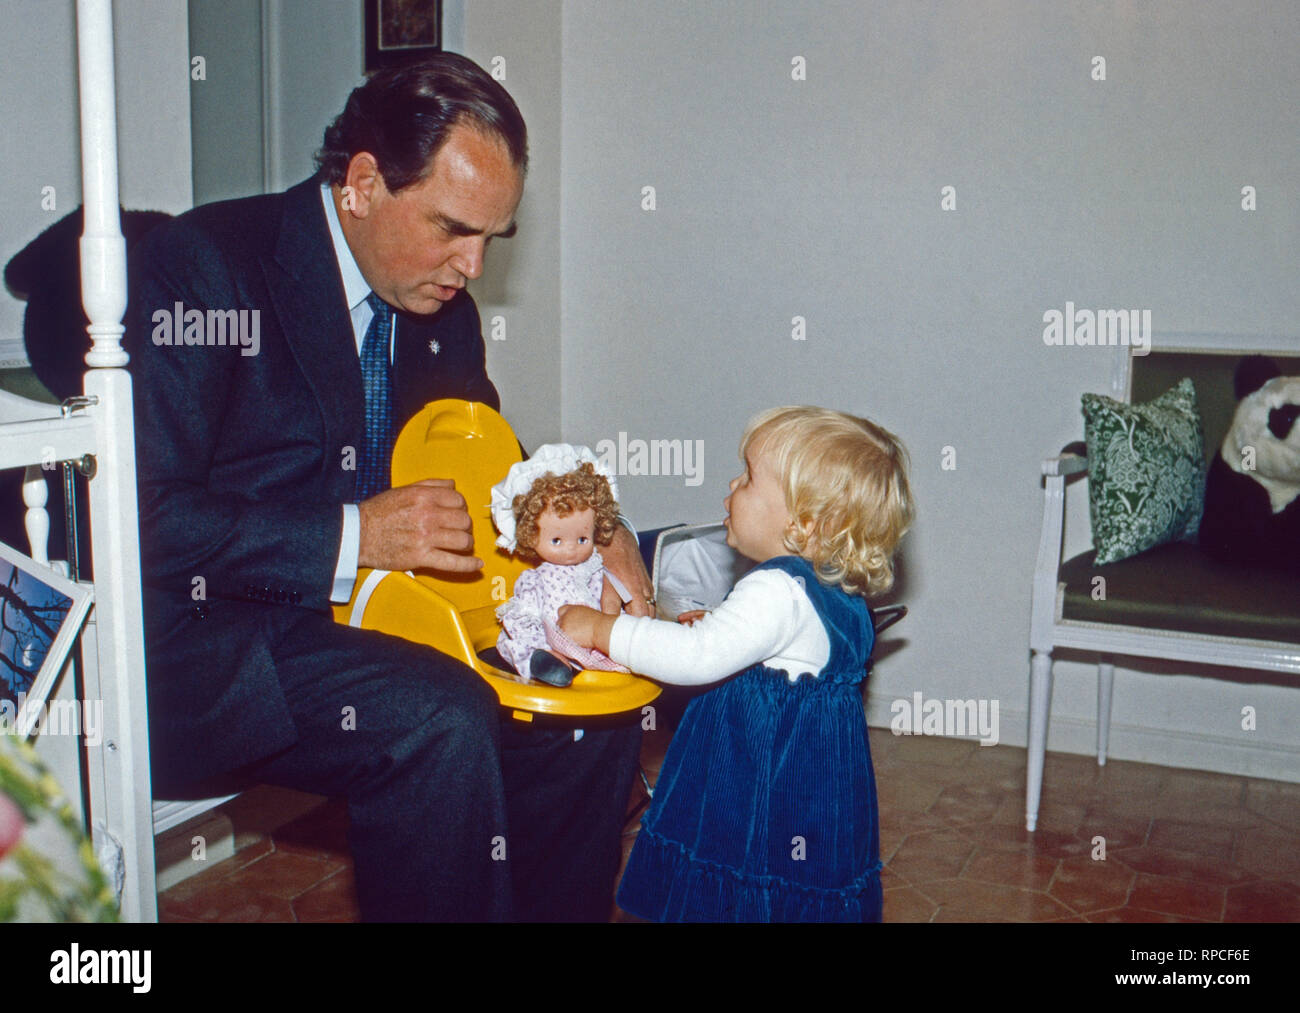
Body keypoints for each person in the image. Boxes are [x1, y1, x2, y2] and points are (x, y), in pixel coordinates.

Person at [126, 53, 651, 921]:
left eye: (492, 239)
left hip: (396, 617)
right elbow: (143, 516)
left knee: (588, 707)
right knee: (439, 720)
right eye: (453, 228)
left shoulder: (441, 311)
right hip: (221, 641)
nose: (474, 266)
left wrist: (604, 523)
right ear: (364, 183)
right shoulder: (204, 265)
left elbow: (499, 472)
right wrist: (353, 536)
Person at [559, 405, 914, 921]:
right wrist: (721, 623)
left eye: (748, 478)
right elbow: (781, 648)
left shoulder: (774, 588)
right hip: (815, 790)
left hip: (757, 784)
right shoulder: (838, 589)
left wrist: (602, 629)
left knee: (742, 881)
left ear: (804, 522)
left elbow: (695, 658)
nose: (732, 482)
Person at [490, 446, 627, 686]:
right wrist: (541, 645)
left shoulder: (595, 568)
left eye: (582, 539)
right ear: (531, 536)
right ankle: (542, 662)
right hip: (549, 640)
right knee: (518, 639)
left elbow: (610, 603)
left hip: (593, 641)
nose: (571, 548)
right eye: (556, 540)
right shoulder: (535, 579)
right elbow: (527, 618)